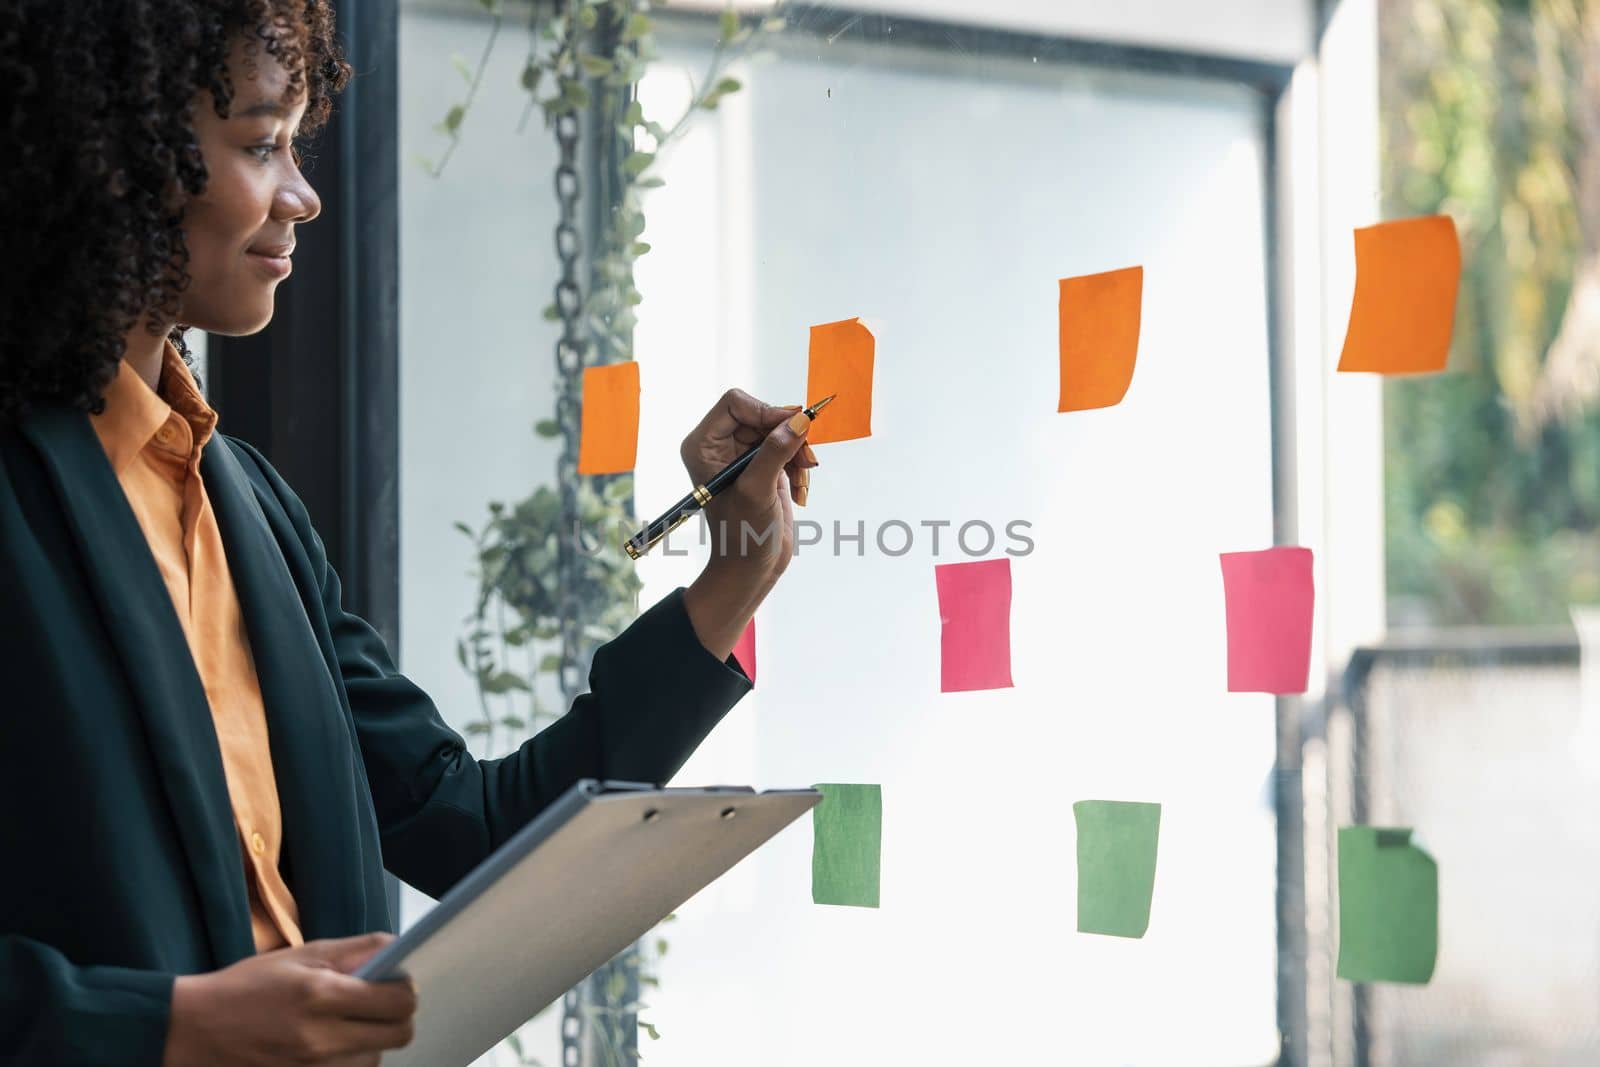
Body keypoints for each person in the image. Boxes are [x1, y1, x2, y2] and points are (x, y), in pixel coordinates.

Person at [0, 2, 817, 1063]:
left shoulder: (252, 510)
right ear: (109, 156)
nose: (304, 193)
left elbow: (469, 824)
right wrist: (171, 1025)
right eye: (260, 144)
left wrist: (738, 571)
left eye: (297, 144)